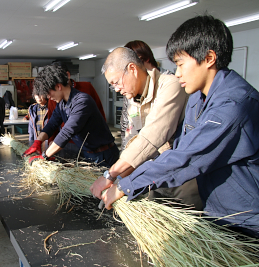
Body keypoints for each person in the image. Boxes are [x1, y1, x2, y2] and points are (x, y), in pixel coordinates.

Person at [102, 15, 259, 239]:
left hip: (245, 219)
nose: (177, 73)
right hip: (215, 209)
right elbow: (179, 149)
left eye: (180, 64)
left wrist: (125, 185)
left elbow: (188, 157)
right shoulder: (197, 97)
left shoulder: (233, 105)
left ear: (209, 58)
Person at [90, 47, 202, 209]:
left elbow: (152, 137)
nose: (116, 89)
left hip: (180, 178)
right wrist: (120, 180)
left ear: (132, 69)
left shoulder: (170, 85)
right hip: (150, 177)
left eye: (116, 82)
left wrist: (111, 175)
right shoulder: (132, 99)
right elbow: (130, 143)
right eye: (112, 86)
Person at [23, 64, 119, 167]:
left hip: (103, 155)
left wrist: (44, 156)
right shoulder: (62, 104)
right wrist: (38, 141)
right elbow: (51, 125)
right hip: (87, 153)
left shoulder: (82, 101)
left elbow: (66, 133)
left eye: (49, 93)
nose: (49, 97)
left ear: (58, 86)